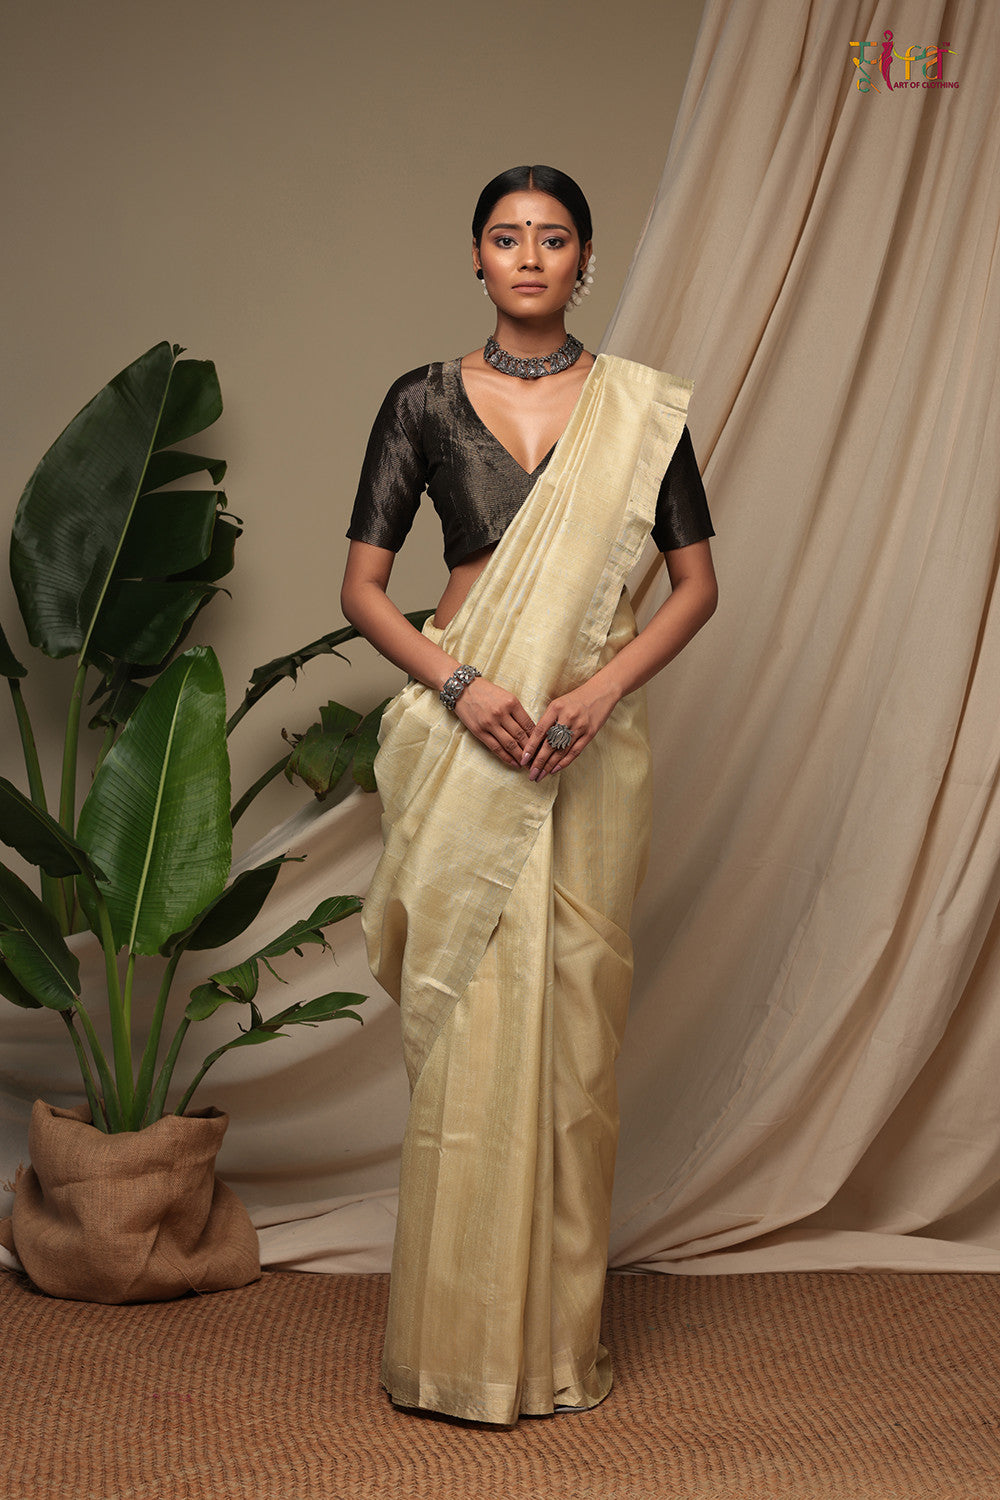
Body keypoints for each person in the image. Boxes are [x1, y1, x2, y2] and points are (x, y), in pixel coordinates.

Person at [340, 165, 718, 1426]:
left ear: (584, 260)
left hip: (584, 746)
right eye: (506, 237)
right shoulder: (421, 400)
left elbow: (696, 587)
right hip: (468, 730)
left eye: (553, 238)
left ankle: (550, 1345)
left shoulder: (638, 412)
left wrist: (596, 694)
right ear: (476, 257)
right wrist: (462, 688)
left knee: (571, 1039)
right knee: (469, 1031)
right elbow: (362, 591)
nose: (529, 256)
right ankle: (452, 1346)